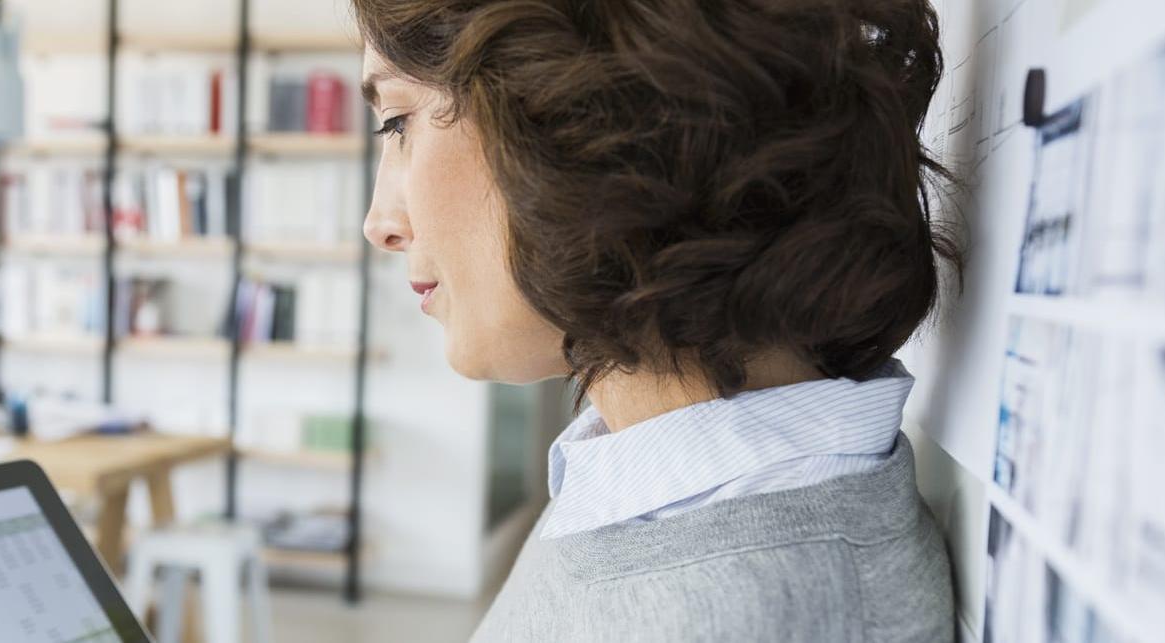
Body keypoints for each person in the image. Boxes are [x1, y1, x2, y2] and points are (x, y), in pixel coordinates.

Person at [346, 0, 960, 640]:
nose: (379, 225)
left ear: (591, 103)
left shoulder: (747, 613)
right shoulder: (640, 472)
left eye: (397, 123)